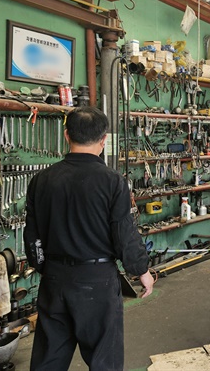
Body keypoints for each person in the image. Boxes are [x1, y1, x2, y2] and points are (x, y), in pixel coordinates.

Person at [24, 107, 154, 371]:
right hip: (97, 281)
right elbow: (123, 233)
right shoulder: (113, 182)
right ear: (104, 139)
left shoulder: (41, 180)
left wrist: (44, 268)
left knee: (48, 360)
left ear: (66, 136)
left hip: (55, 280)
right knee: (103, 360)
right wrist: (141, 270)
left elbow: (32, 236)